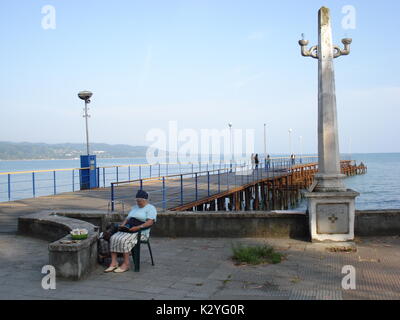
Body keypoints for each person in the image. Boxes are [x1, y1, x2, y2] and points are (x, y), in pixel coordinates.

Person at [104, 190, 157, 273]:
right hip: (130, 229)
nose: (138, 203)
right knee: (113, 237)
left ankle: (126, 264)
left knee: (124, 240)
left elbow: (150, 222)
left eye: (140, 201)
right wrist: (123, 225)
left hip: (140, 231)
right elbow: (128, 219)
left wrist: (138, 227)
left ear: (145, 200)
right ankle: (114, 262)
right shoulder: (135, 207)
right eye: (137, 201)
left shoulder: (151, 208)